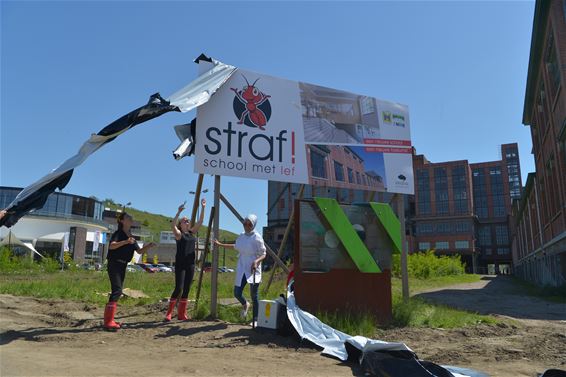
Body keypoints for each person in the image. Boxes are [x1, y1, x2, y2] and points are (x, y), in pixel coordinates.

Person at [104, 212, 155, 330]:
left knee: (117, 291)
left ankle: (109, 320)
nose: (131, 218)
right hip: (114, 263)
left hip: (122, 265)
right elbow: (112, 246)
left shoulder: (131, 235)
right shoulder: (118, 233)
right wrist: (126, 242)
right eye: (128, 217)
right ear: (122, 221)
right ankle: (108, 322)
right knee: (117, 291)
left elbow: (139, 252)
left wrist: (149, 246)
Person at [214, 214, 266, 326]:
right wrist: (220, 245)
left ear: (253, 225)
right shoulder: (242, 236)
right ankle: (245, 304)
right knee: (237, 292)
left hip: (253, 268)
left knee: (254, 295)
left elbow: (264, 254)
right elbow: (235, 246)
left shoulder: (257, 237)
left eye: (249, 224)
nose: (246, 226)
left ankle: (256, 319)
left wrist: (256, 262)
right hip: (242, 267)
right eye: (245, 224)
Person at [164, 198, 206, 321]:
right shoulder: (179, 235)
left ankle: (182, 314)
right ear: (180, 224)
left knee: (187, 288)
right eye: (184, 221)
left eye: (187, 221)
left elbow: (201, 220)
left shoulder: (192, 233)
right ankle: (169, 313)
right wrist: (178, 213)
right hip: (181, 264)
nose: (187, 222)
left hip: (190, 264)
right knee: (178, 288)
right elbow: (172, 225)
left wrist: (203, 207)